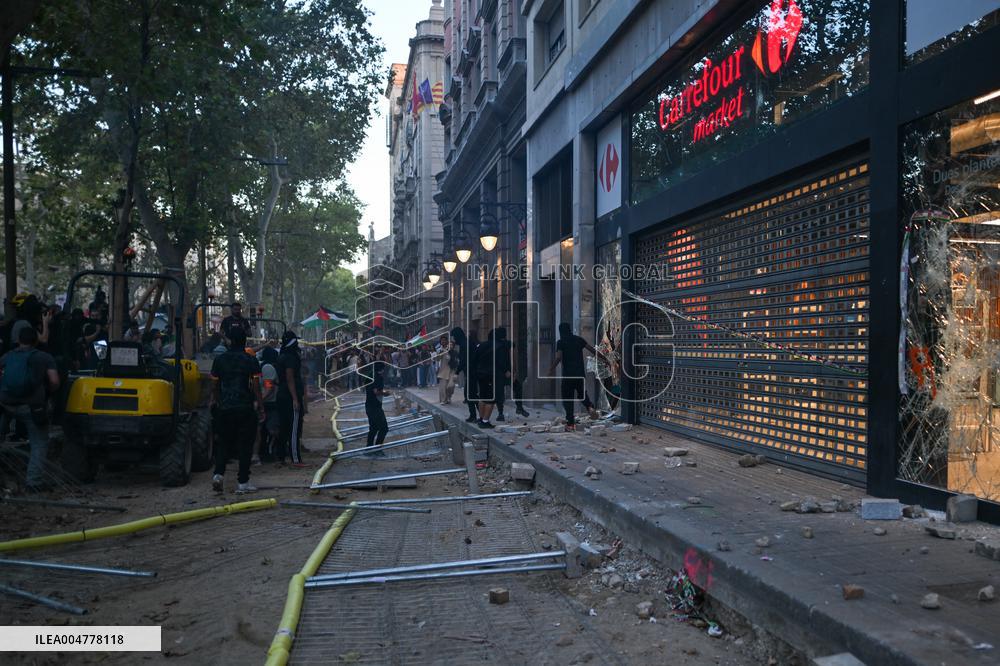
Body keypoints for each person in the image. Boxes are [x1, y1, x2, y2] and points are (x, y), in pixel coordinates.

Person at [0, 326, 60, 491]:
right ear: (36, 340)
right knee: (39, 443)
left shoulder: (7, 356)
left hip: (5, 405)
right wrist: (47, 393)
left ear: (18, 340)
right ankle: (33, 482)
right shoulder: (44, 357)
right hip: (32, 407)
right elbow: (54, 381)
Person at [210, 328, 264, 493]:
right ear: (245, 341)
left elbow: (214, 385)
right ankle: (242, 483)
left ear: (230, 341)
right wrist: (260, 404)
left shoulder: (220, 360)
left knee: (224, 442)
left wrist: (219, 402)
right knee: (245, 445)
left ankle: (218, 475)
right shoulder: (251, 360)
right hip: (245, 407)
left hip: (225, 408)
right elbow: (255, 385)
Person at [548, 322, 603, 431]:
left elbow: (559, 357)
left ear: (561, 332)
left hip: (568, 376)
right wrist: (604, 359)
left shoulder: (561, 342)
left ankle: (570, 423)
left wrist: (551, 369)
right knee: (582, 394)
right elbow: (592, 350)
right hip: (580, 375)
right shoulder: (579, 340)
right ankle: (589, 407)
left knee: (567, 399)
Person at [277, 330, 306, 467]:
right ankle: (295, 459)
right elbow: (290, 378)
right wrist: (295, 398)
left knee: (283, 427)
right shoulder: (290, 357)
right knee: (293, 428)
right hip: (290, 396)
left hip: (281, 395)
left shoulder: (282, 355)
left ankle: (281, 457)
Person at [473, 329, 498, 428]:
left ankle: (481, 419)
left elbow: (475, 359)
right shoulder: (496, 346)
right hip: (489, 375)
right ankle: (485, 421)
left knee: (482, 397)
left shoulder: (481, 345)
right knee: (491, 399)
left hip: (480, 374)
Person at [363, 360, 388, 452]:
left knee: (373, 428)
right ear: (381, 369)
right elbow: (376, 392)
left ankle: (369, 448)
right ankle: (377, 448)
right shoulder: (377, 377)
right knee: (384, 428)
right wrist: (385, 393)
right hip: (375, 407)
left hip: (369, 406)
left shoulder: (370, 375)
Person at [492, 327, 512, 422]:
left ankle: (500, 413)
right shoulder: (508, 344)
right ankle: (520, 407)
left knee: (499, 392)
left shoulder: (495, 345)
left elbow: (497, 360)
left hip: (499, 372)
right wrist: (510, 370)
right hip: (507, 371)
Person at [436, 334, 458, 404]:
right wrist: (439, 354)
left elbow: (457, 361)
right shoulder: (441, 350)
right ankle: (443, 400)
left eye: (444, 340)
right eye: (442, 340)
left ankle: (449, 397)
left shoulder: (455, 352)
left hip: (452, 371)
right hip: (443, 371)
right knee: (442, 387)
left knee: (451, 386)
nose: (443, 342)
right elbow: (437, 359)